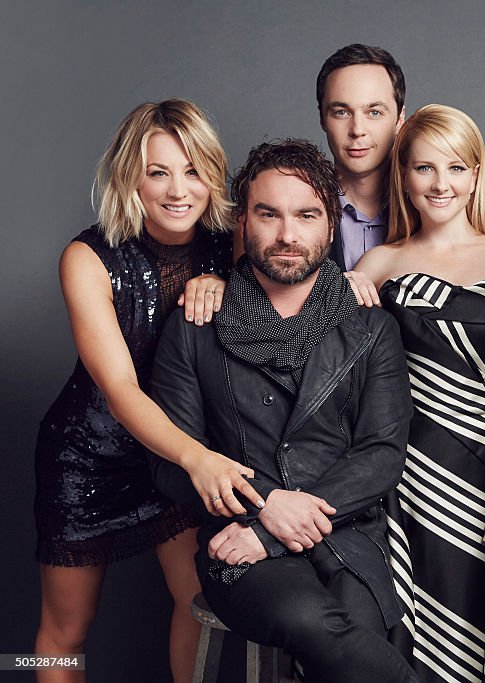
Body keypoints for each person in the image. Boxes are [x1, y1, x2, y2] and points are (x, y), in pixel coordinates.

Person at [148, 139, 417, 683]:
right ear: (241, 221)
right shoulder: (194, 323)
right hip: (236, 538)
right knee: (307, 618)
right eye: (268, 214)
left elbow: (381, 454)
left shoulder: (372, 326)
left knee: (366, 630)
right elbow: (170, 464)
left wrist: (276, 527)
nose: (288, 235)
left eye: (307, 215)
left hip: (347, 534)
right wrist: (263, 506)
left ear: (330, 223)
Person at [33, 99, 263, 683]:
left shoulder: (228, 246)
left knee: (197, 603)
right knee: (64, 631)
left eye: (192, 171)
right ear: (129, 177)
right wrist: (200, 459)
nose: (178, 190)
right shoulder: (86, 258)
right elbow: (121, 391)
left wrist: (225, 279)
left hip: (173, 458)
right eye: (158, 172)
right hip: (86, 459)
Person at [355, 103, 485, 682]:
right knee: (415, 617)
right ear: (402, 175)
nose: (440, 184)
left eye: (456, 168)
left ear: (477, 174)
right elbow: (346, 379)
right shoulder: (379, 263)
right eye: (424, 168)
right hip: (408, 470)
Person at [316, 44, 405, 279]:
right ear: (322, 118)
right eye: (342, 112)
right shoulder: (294, 211)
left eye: (374, 112)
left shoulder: (431, 204)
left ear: (400, 118)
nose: (357, 130)